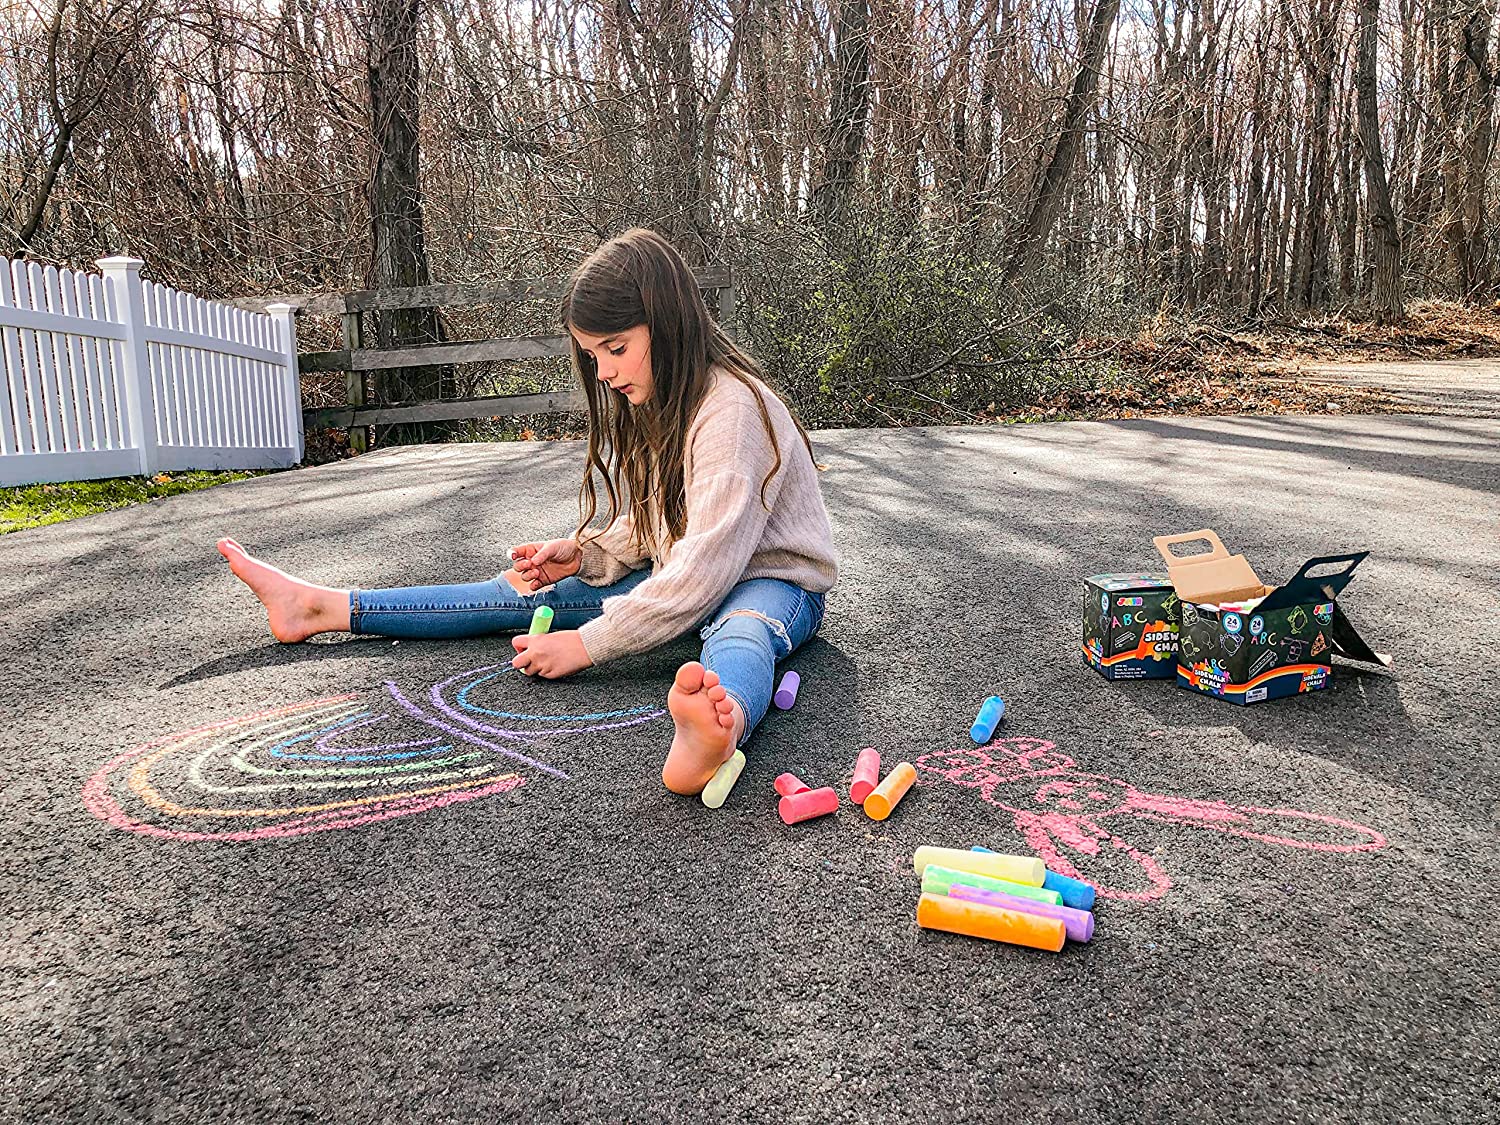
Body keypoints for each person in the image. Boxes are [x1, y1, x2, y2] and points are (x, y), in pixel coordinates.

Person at [218, 228, 838, 795]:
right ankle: (325, 607)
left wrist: (587, 645)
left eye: (616, 348)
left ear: (669, 324)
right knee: (521, 593)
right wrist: (589, 553)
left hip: (774, 581)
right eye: (593, 355)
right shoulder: (664, 397)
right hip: (694, 571)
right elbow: (662, 519)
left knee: (742, 631)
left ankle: (717, 733)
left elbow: (705, 569)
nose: (605, 372)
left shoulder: (730, 413)